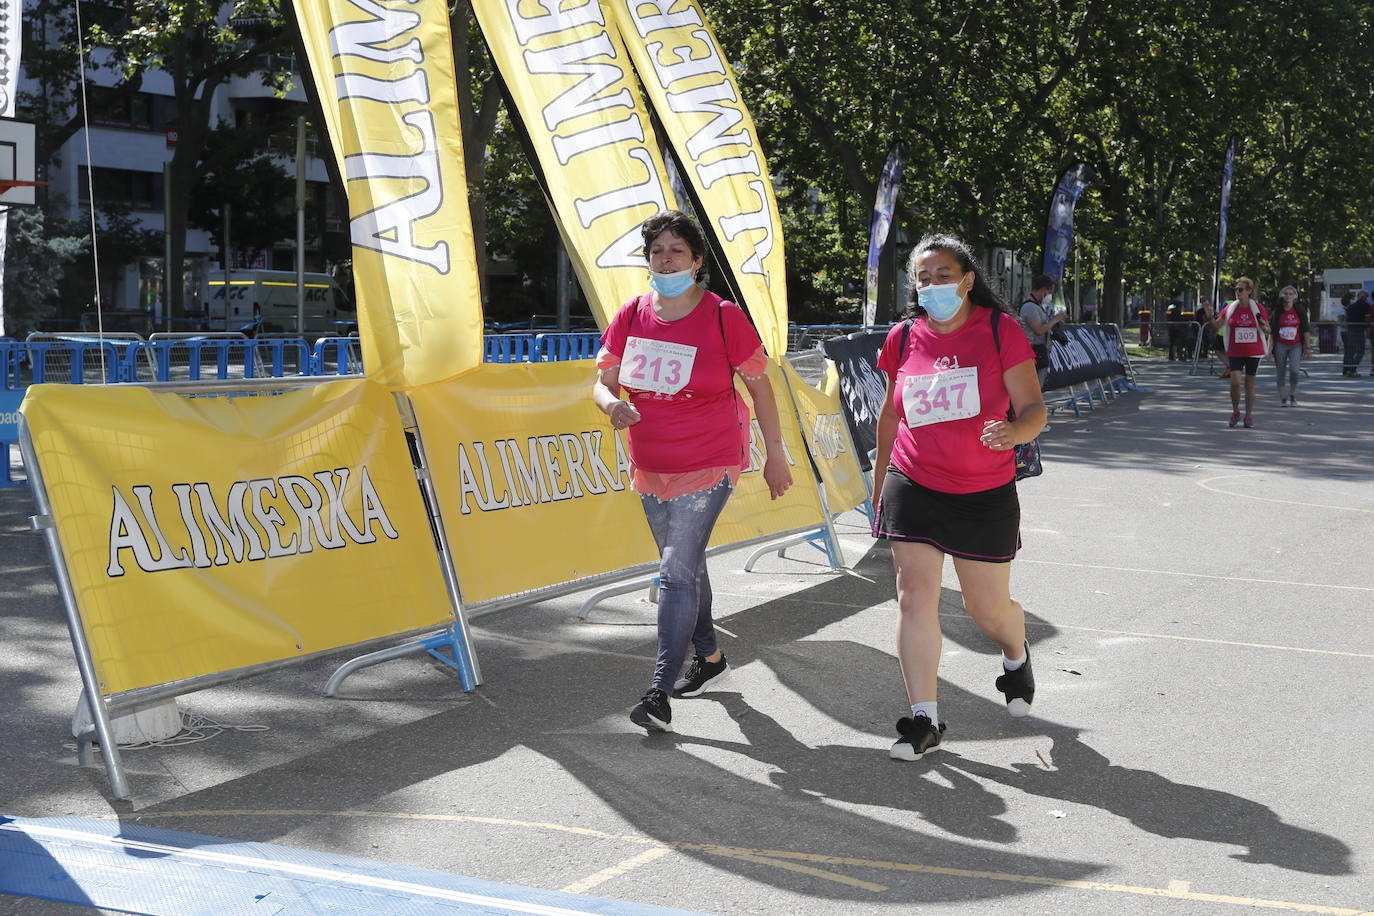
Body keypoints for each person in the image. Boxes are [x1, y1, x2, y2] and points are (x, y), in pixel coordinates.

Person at [592, 210, 793, 734]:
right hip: (651, 463)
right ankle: (708, 655)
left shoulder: (723, 315)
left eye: (676, 251)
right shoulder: (633, 313)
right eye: (657, 251)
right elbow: (603, 383)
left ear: (697, 261)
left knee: (674, 571)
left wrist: (776, 452)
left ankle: (658, 691)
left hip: (710, 460)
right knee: (686, 565)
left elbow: (761, 387)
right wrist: (610, 405)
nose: (666, 259)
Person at [871, 234, 1046, 761]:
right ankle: (924, 718)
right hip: (914, 479)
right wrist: (880, 480)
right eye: (923, 278)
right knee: (915, 593)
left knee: (986, 608)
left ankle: (1015, 654)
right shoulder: (903, 338)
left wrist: (1016, 434)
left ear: (968, 280)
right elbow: (890, 415)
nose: (932, 285)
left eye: (943, 275)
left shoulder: (999, 330)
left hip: (982, 490)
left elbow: (1034, 408)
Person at [1204, 277, 1270, 428]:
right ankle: (1235, 412)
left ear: (1249, 291)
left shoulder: (1258, 308)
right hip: (1235, 350)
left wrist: (1264, 326)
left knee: (1249, 384)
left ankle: (1248, 416)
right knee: (1235, 382)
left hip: (1253, 350)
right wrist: (1209, 316)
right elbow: (1217, 325)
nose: (1237, 292)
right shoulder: (1230, 307)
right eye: (1236, 289)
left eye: (1241, 289)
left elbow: (1268, 329)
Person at [1019, 274, 1064, 388]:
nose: (1049, 296)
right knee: (1035, 388)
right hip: (1034, 353)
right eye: (1050, 293)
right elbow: (1039, 330)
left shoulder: (1036, 306)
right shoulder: (1030, 307)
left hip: (1039, 352)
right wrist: (1055, 320)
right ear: (1044, 290)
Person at [1271, 286, 1310, 406]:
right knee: (1281, 371)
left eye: (1290, 294)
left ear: (1294, 297)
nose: (1288, 296)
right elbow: (1272, 331)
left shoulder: (1299, 310)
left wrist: (1307, 347)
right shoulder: (1277, 311)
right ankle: (1283, 397)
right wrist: (1269, 348)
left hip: (1296, 344)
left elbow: (1305, 329)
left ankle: (1292, 394)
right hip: (1280, 344)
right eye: (1286, 294)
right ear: (1282, 296)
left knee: (1294, 370)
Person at [1342, 290, 1371, 377]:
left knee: (1351, 351)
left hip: (1350, 330)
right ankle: (1352, 369)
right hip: (1360, 330)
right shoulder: (1366, 306)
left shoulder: (1351, 306)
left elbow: (1346, 318)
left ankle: (1347, 369)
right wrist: (1368, 328)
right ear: (1363, 297)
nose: (1367, 299)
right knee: (1361, 351)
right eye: (1366, 297)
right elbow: (1367, 319)